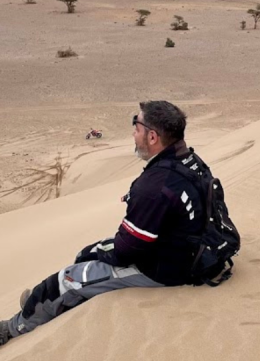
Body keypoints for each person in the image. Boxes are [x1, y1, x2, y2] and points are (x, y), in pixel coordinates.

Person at [0, 101, 218, 346]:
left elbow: (127, 250)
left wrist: (102, 254)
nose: (133, 134)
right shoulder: (190, 160)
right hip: (189, 250)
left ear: (152, 137)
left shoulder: (155, 186)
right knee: (87, 254)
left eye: (136, 127)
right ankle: (47, 306)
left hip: (165, 268)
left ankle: (15, 327)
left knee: (65, 281)